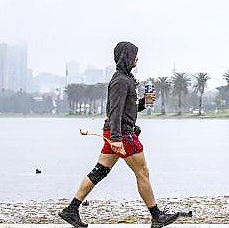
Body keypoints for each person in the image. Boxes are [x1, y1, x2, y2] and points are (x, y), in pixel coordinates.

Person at [59, 41, 179, 228]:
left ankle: (71, 210)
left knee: (100, 171)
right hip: (122, 134)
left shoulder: (125, 78)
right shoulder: (121, 81)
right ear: (126, 57)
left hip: (116, 132)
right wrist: (116, 139)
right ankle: (157, 216)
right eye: (134, 54)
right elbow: (115, 111)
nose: (137, 58)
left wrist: (143, 103)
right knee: (142, 172)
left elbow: (126, 109)